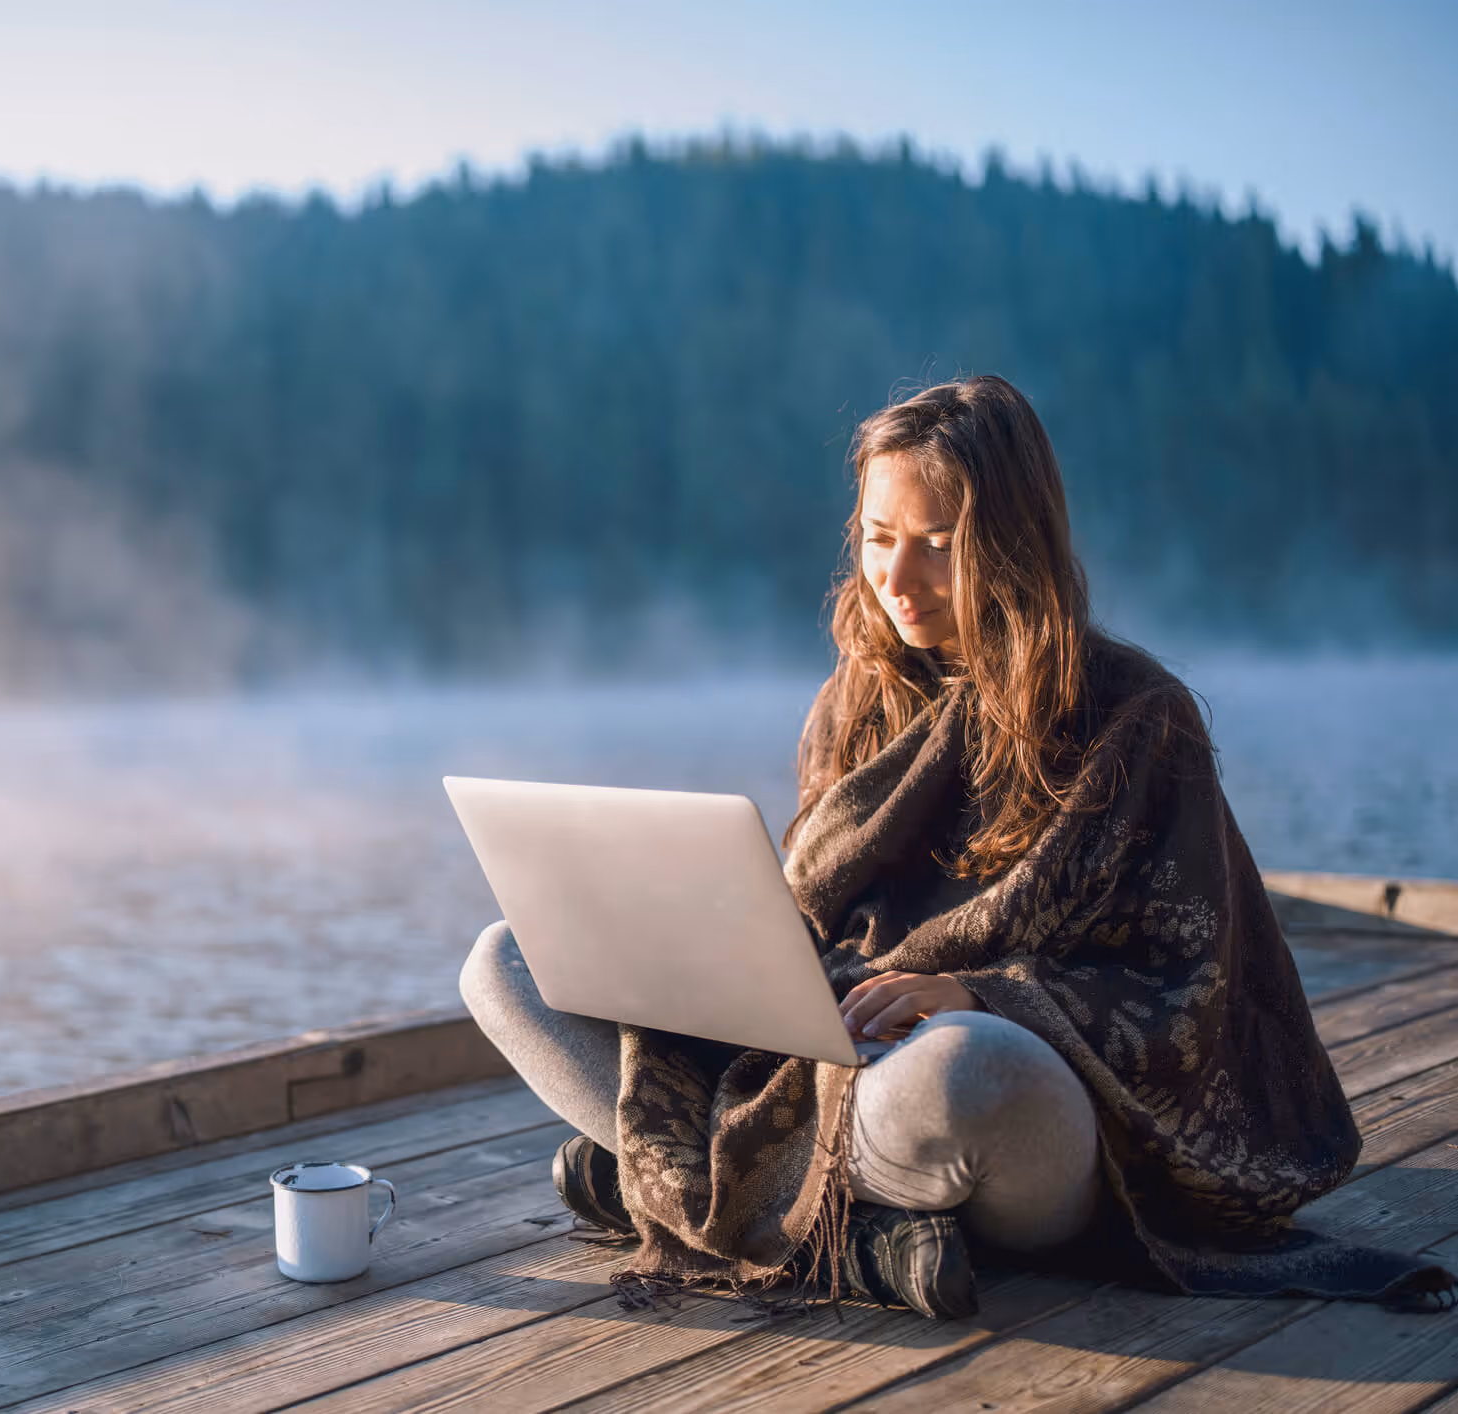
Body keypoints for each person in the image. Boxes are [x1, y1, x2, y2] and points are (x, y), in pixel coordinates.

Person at [459, 374, 1453, 1320]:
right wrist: (727, 954)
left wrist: (990, 995)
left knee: (966, 1073)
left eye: (937, 542)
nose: (896, 577)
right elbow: (817, 920)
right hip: (834, 1063)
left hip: (1033, 1118)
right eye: (880, 538)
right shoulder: (856, 700)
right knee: (507, 961)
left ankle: (691, 1190)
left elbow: (1185, 987)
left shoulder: (1135, 719)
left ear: (1014, 542)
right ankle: (848, 1236)